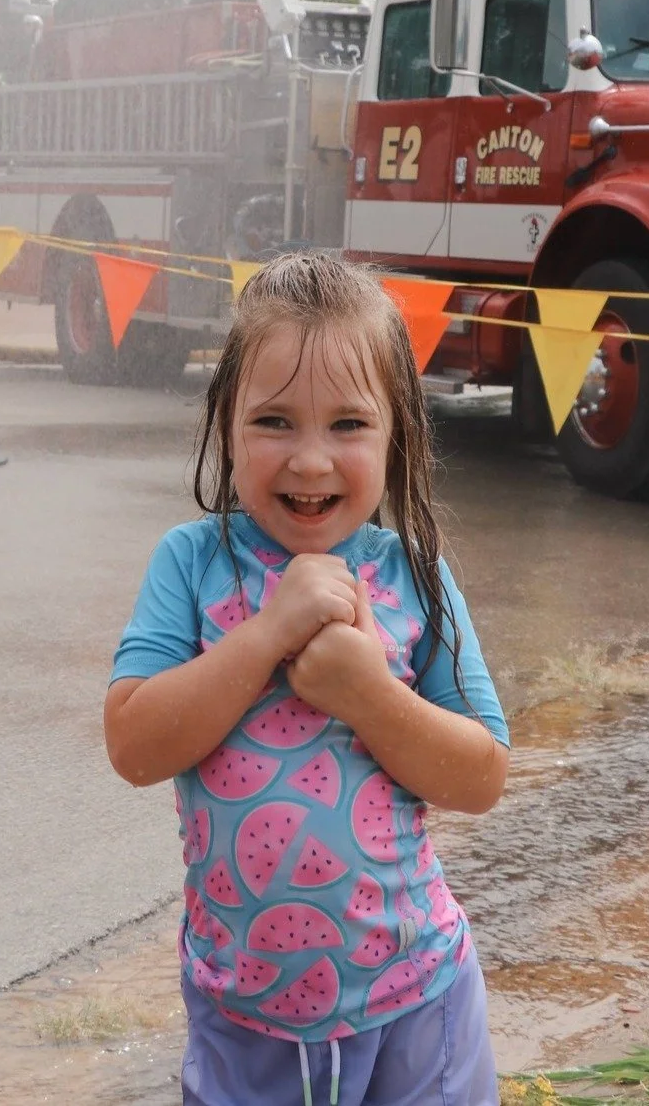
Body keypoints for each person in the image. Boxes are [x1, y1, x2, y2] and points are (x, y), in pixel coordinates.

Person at [104, 252, 509, 1106]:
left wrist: (367, 692)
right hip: (243, 1017)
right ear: (226, 426)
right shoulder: (191, 565)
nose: (312, 460)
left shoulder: (414, 577)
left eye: (349, 425)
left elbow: (479, 774)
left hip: (415, 1002)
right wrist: (265, 636)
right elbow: (134, 744)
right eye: (275, 421)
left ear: (398, 430)